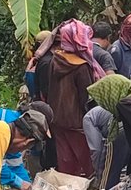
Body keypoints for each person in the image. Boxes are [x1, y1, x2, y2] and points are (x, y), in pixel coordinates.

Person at [37, 19, 100, 176]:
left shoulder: (56, 59)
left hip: (57, 117)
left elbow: (50, 89)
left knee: (66, 162)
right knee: (86, 163)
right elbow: (86, 97)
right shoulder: (81, 66)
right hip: (77, 121)